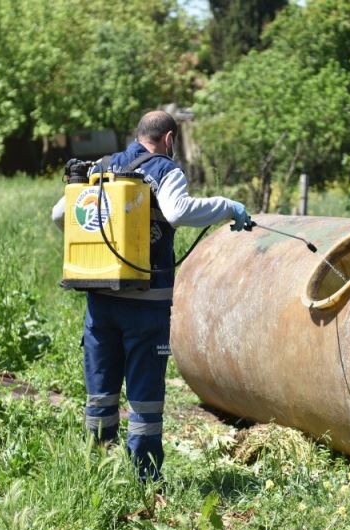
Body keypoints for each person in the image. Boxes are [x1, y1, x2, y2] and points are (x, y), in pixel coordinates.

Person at [51, 110, 250, 481]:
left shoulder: (102, 165)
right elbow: (177, 212)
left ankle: (98, 469)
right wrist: (226, 206)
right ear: (170, 139)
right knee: (144, 396)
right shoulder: (164, 170)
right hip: (146, 306)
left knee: (101, 392)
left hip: (101, 298)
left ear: (138, 133)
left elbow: (60, 213)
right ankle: (144, 479)